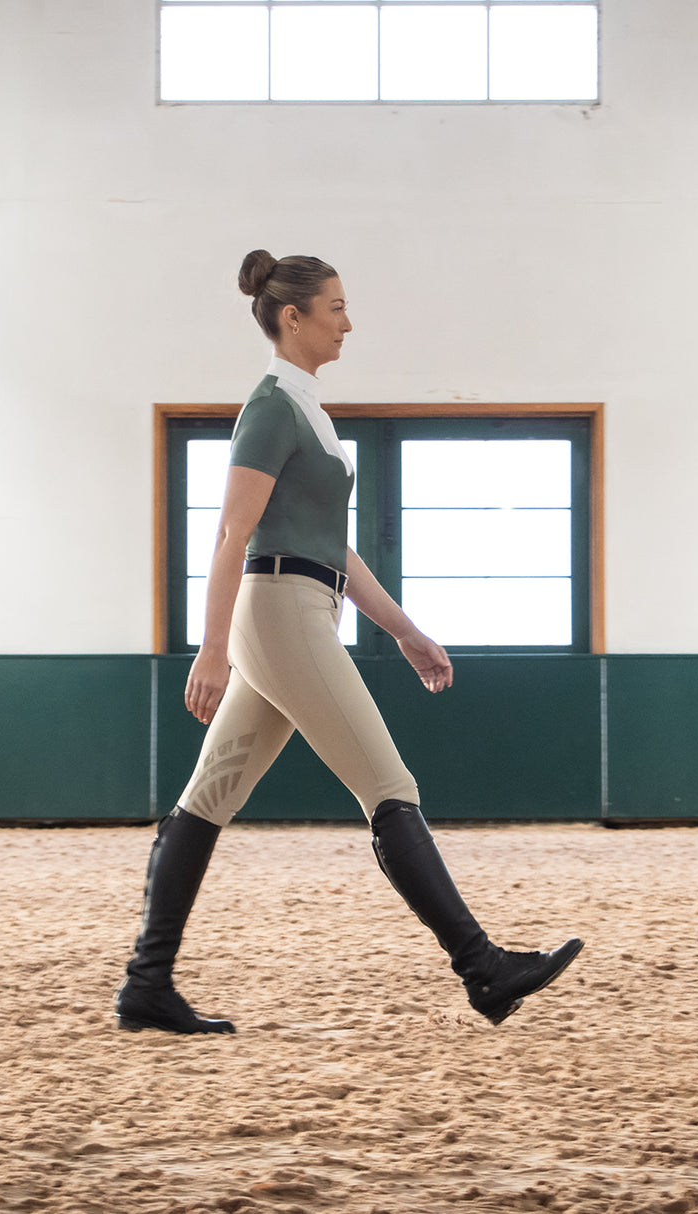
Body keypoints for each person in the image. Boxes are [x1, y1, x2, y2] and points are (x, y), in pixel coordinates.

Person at [115, 250, 582, 1035]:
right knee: (389, 786)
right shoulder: (269, 407)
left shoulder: (311, 414)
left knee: (208, 798)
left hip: (304, 604)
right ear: (290, 317)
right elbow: (231, 532)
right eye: (334, 306)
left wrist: (405, 631)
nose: (347, 321)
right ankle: (483, 968)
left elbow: (337, 549)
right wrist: (210, 649)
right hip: (277, 611)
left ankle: (146, 985)